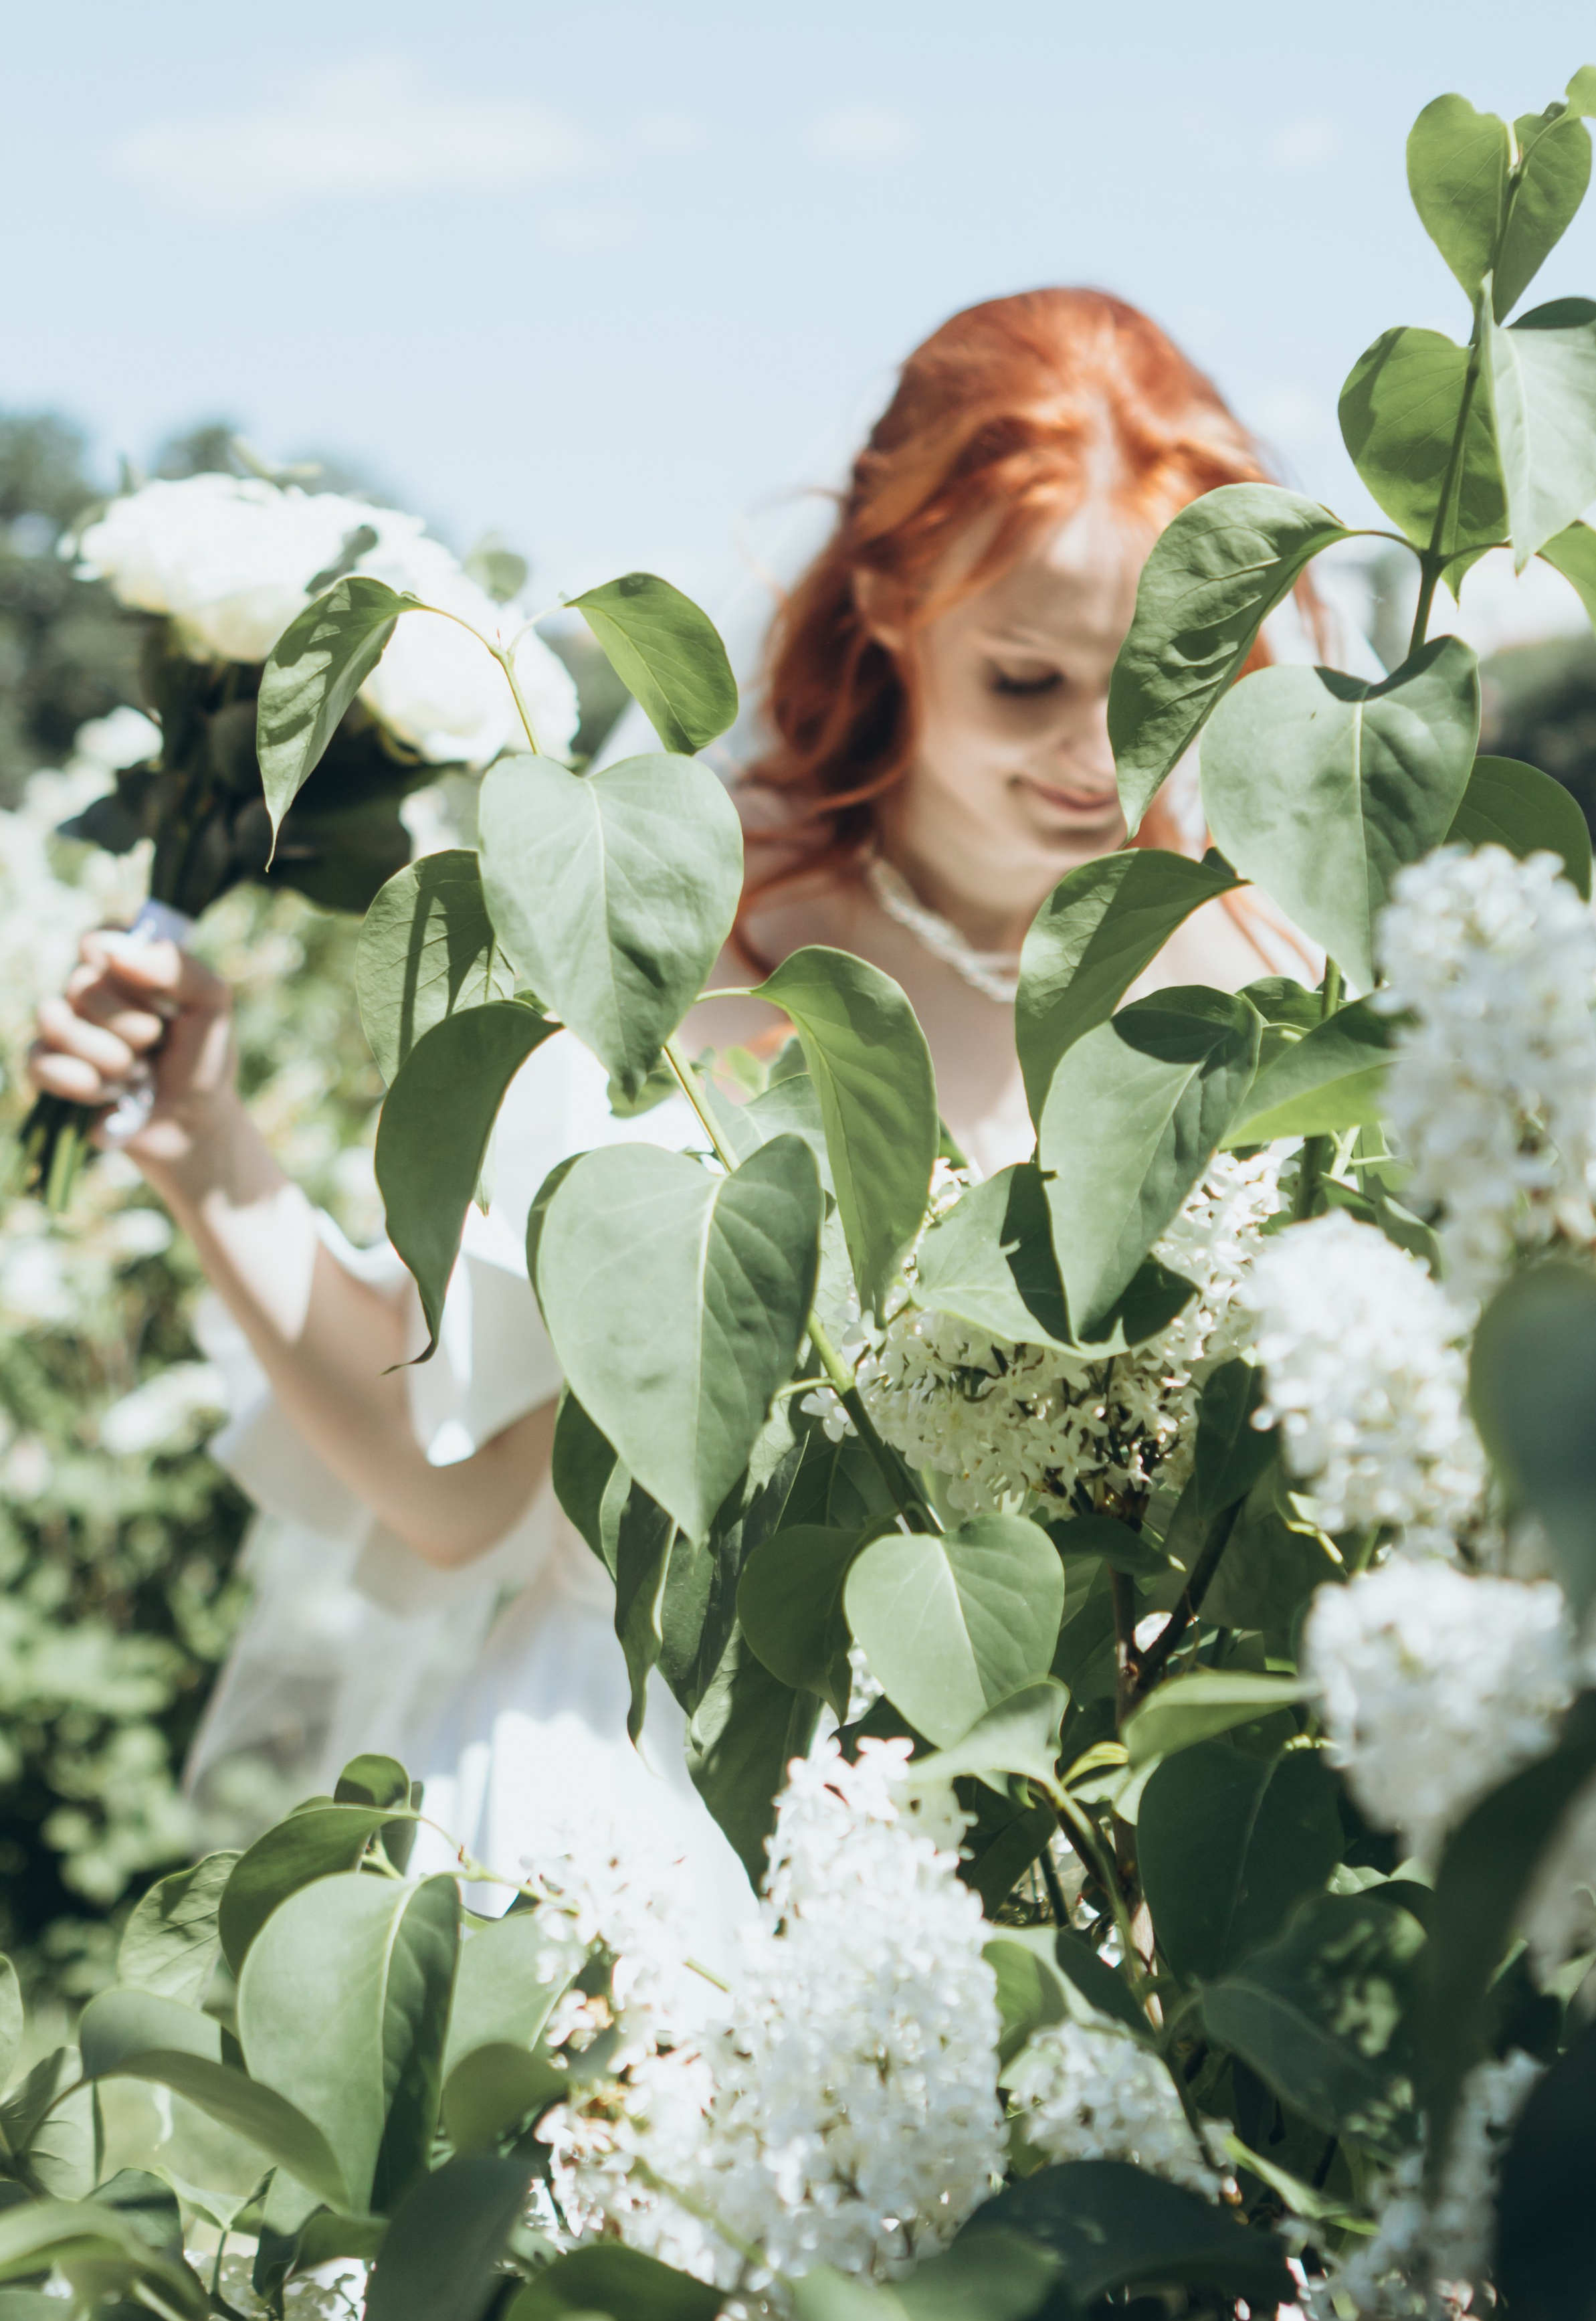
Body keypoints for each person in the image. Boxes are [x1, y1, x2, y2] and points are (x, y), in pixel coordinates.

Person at [26, 288, 1320, 1946]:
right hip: (623, 1827)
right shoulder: (676, 928)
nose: (1095, 755)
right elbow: (460, 1493)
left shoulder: (1259, 983)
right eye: (1023, 680)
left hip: (1054, 1883)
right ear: (887, 602)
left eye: (1160, 685)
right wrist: (202, 1145)